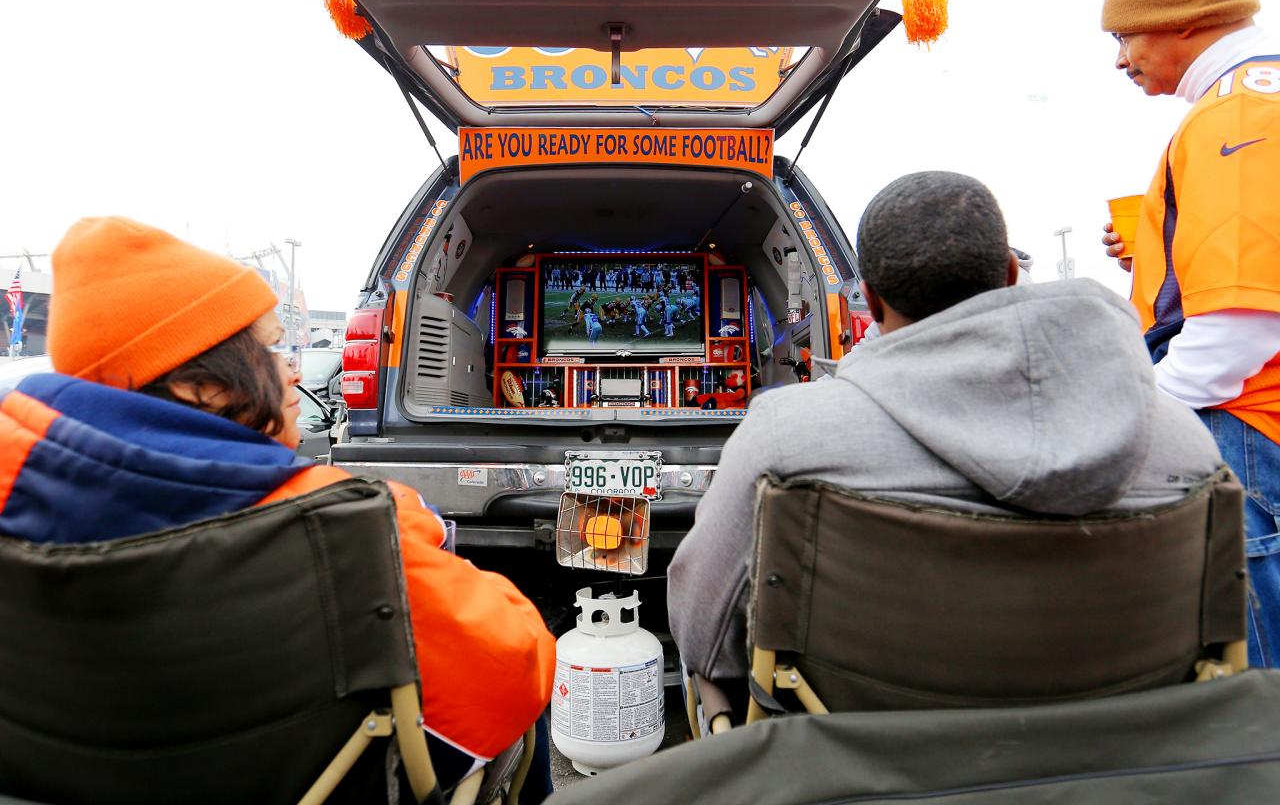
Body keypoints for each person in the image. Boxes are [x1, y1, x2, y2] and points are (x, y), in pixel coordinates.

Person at [0, 217, 556, 798]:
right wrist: (410, 531)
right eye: (268, 348)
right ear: (202, 387)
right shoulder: (345, 532)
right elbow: (515, 665)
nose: (293, 369)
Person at [668, 171, 1224, 682]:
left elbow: (704, 640)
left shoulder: (785, 439)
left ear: (872, 299)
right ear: (1010, 274)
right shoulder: (1184, 442)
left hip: (858, 754)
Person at [1099, 0, 1280, 667]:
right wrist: (1153, 244)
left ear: (1181, 19)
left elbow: (1239, 322)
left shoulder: (1237, 113)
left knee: (1256, 695)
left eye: (1123, 36)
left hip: (1246, 429)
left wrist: (1141, 412)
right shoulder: (1252, 102)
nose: (1120, 60)